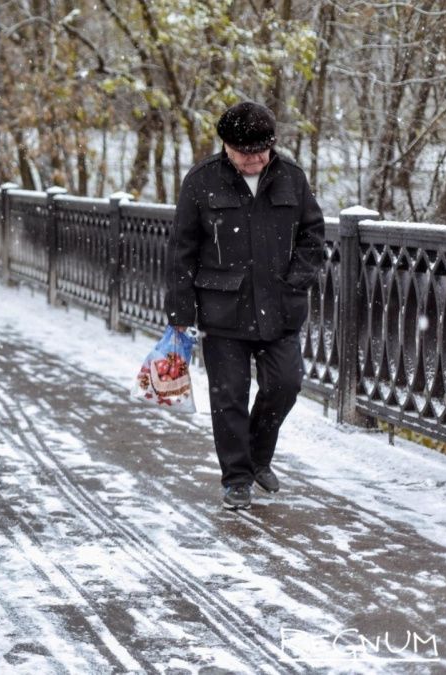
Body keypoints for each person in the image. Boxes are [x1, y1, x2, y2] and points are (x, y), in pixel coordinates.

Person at [164, 101, 324, 511]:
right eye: (244, 153)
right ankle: (237, 479)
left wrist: (296, 282)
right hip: (223, 310)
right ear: (226, 147)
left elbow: (312, 237)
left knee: (284, 384)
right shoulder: (202, 181)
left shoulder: (291, 177)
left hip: (281, 306)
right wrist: (181, 314)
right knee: (229, 397)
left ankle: (256, 457)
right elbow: (181, 250)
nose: (254, 161)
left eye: (260, 152)